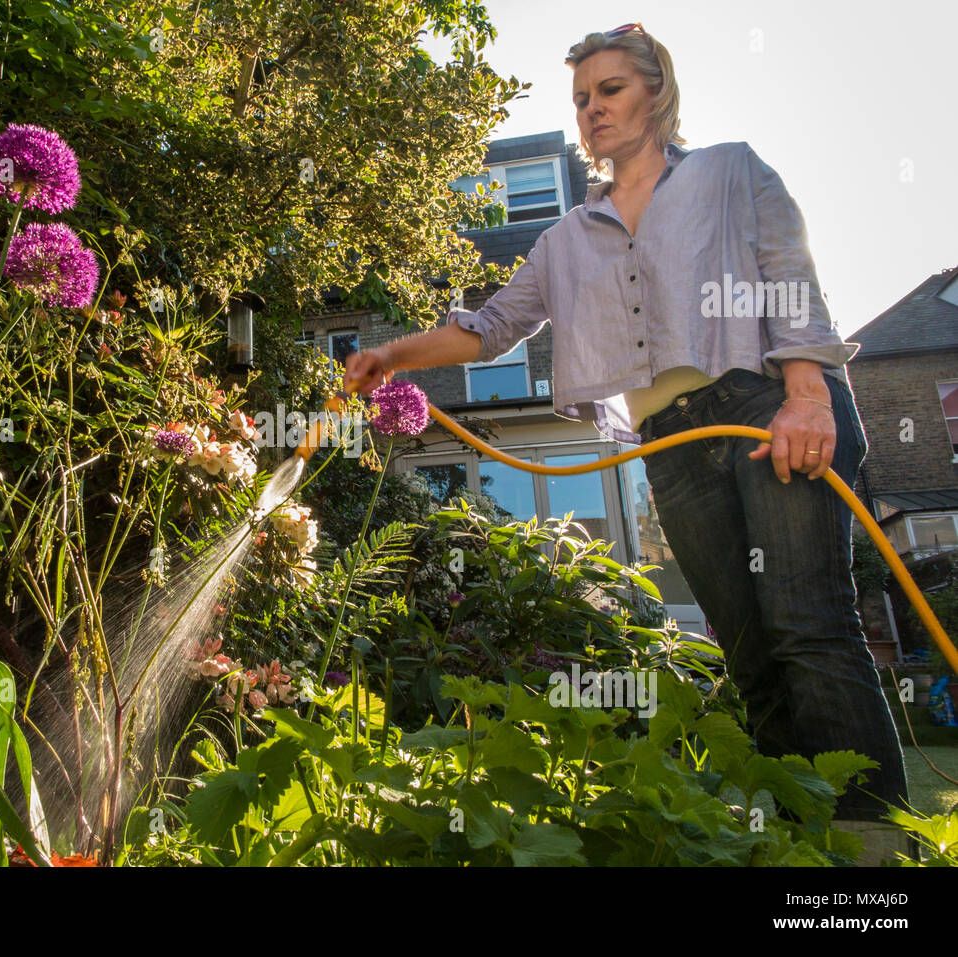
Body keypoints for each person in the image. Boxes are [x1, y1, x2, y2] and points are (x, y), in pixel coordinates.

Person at [343, 23, 909, 864]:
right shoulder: (566, 238)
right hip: (673, 443)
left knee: (807, 626)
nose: (592, 110)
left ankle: (874, 861)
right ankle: (796, 849)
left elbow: (791, 273)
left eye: (609, 90)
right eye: (580, 99)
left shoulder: (728, 172)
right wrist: (393, 353)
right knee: (748, 649)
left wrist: (805, 394)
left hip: (763, 405)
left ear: (656, 91)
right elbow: (491, 327)